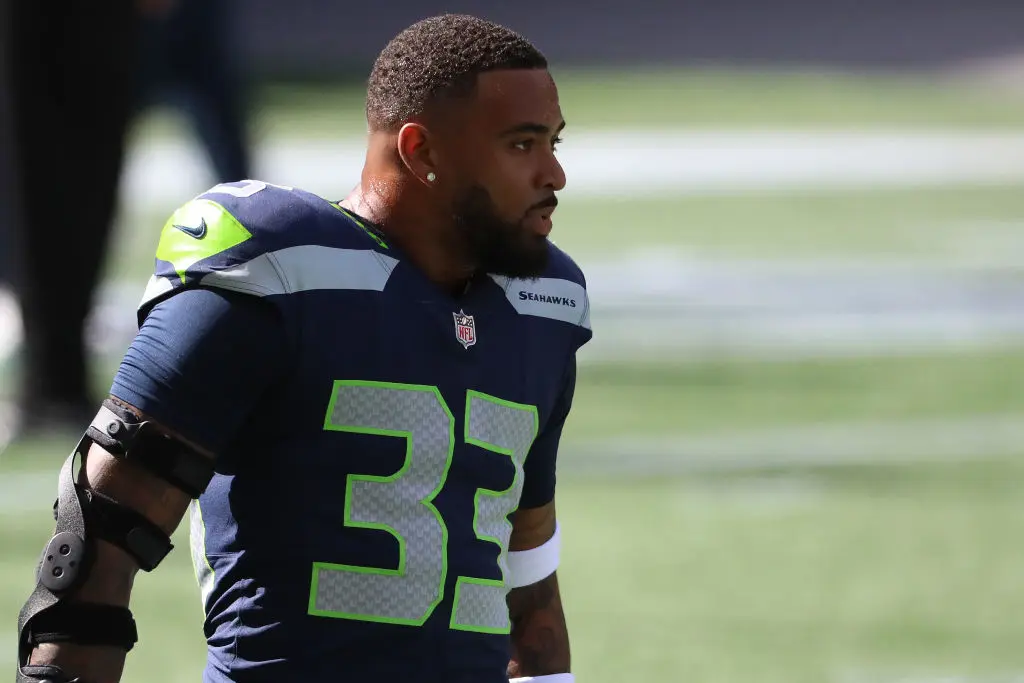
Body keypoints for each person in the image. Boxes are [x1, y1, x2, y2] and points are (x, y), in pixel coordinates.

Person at [16, 14, 590, 683]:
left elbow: (532, 603)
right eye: (522, 144)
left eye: (553, 141)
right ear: (422, 151)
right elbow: (93, 551)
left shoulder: (540, 304)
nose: (554, 172)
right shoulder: (275, 270)